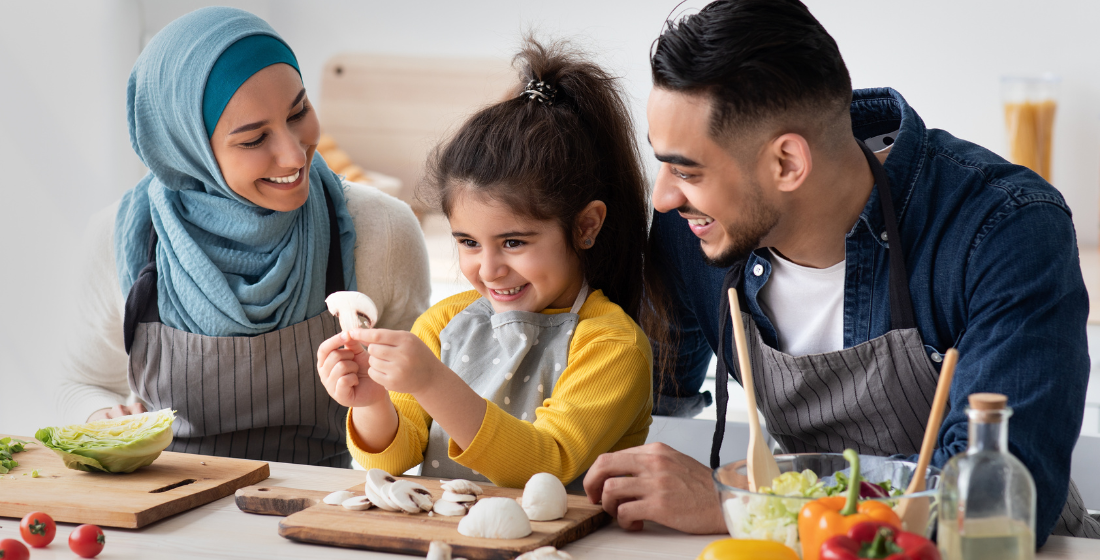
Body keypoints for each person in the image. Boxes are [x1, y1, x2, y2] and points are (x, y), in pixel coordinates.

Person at [583, 0, 1099, 545]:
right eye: (663, 163)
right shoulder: (692, 232)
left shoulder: (1003, 228)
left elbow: (995, 504)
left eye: (687, 170)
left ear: (787, 163)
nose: (663, 199)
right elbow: (652, 395)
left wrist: (747, 505)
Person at [56, 7, 430, 467]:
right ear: (188, 146)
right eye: (254, 139)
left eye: (299, 112)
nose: (294, 154)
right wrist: (102, 417)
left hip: (320, 517)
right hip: (165, 514)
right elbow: (78, 384)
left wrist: (377, 401)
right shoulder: (123, 238)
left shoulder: (381, 231)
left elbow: (417, 416)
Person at [315, 38, 662, 489]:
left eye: (513, 241)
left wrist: (432, 381)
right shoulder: (442, 326)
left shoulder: (613, 347)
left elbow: (548, 466)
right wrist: (371, 403)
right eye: (468, 242)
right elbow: (395, 460)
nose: (489, 268)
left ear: (586, 226)